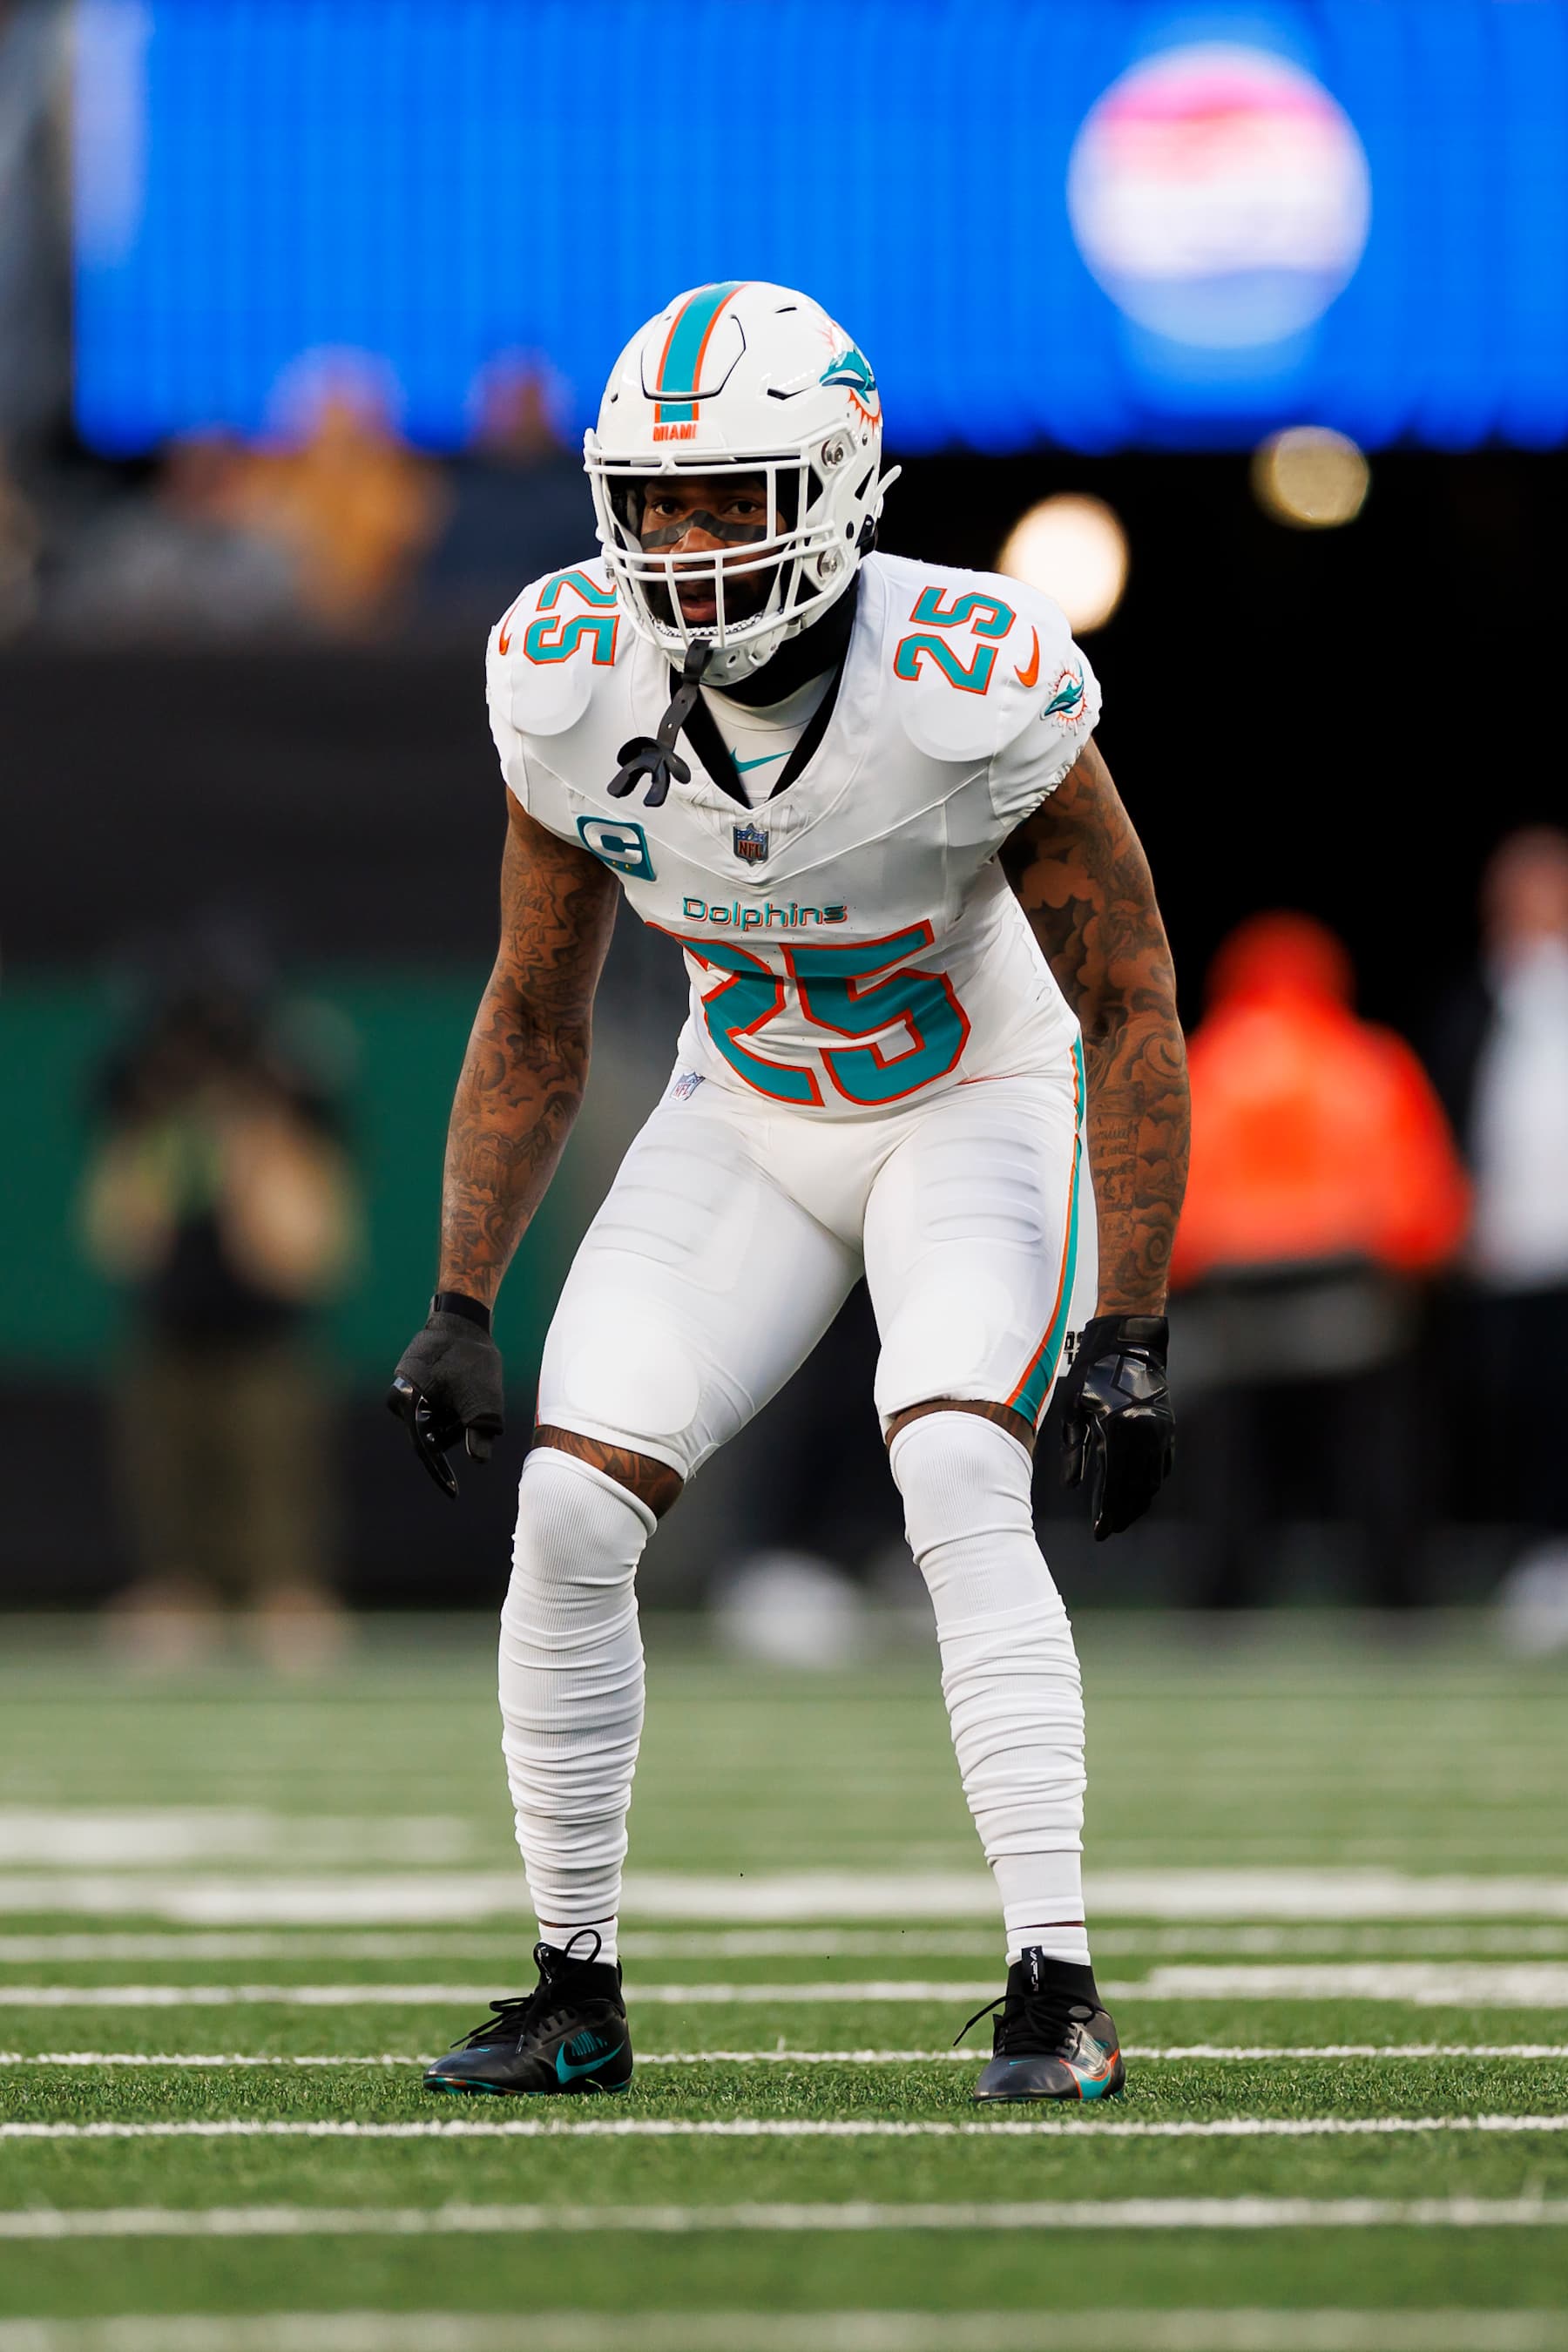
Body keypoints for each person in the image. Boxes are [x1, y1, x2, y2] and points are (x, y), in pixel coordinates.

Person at [389, 282, 1186, 2105]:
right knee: (572, 1517)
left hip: (968, 1104)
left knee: (957, 1464)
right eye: (654, 501)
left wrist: (1131, 1324)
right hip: (742, 1115)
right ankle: (571, 1988)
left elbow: (1129, 994)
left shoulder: (969, 680)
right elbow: (534, 1007)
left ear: (834, 486)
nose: (683, 542)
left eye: (728, 497)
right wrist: (458, 1295)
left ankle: (1054, 1986)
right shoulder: (567, 672)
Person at [1172, 913, 1469, 1609]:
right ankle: (1396, 1592)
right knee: (1382, 1439)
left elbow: (1159, 1214)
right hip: (1355, 1311)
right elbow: (1428, 1213)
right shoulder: (1371, 1065)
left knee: (1222, 1445)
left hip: (1229, 1316)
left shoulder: (1203, 1066)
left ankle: (1219, 1598)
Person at [82, 928, 361, 1666]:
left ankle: (285, 1594)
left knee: (275, 1479)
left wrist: (257, 1110)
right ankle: (178, 1590)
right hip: (172, 1318)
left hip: (265, 1328)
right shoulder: (148, 1094)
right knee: (166, 1479)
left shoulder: (292, 1080)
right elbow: (119, 1227)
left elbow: (307, 1242)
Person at [1429, 829, 1568, 1647]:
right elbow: (1451, 1113)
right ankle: (1535, 1564)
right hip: (1507, 1248)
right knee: (1517, 1410)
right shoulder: (1475, 1003)